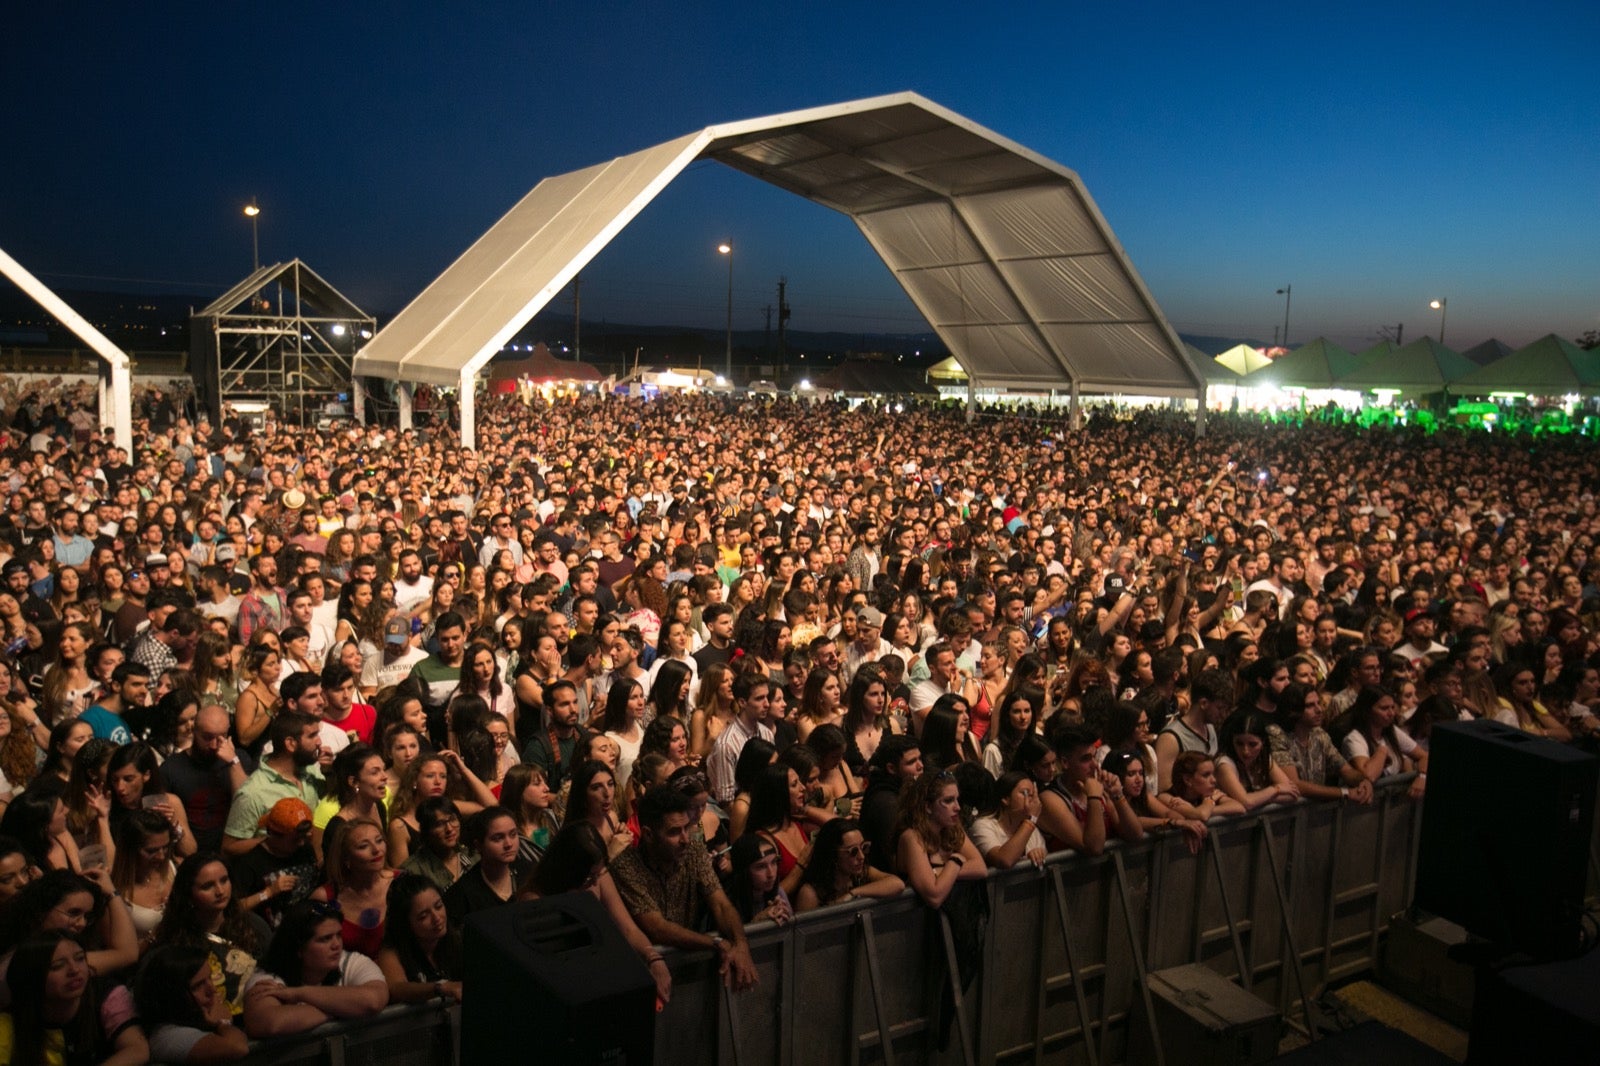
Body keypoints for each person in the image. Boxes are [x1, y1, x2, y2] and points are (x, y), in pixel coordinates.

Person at [608, 786, 757, 991]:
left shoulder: (693, 851)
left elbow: (721, 904)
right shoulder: (626, 867)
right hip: (642, 974)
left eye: (687, 828)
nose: (685, 839)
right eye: (674, 832)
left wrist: (741, 944)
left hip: (687, 971)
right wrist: (714, 943)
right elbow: (657, 928)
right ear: (649, 835)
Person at [240, 901, 389, 1038]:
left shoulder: (351, 961)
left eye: (338, 935)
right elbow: (269, 1023)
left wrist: (298, 993)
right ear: (298, 948)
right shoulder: (267, 977)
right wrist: (346, 1008)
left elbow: (373, 1000)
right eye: (325, 939)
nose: (336, 945)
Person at [0, 931, 148, 1065]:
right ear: (33, 977)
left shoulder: (107, 994)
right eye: (58, 966)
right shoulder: (9, 1023)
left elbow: (137, 1049)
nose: (74, 970)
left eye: (80, 958)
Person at [152, 853, 268, 1019]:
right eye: (207, 886)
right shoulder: (175, 941)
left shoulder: (253, 925)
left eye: (224, 880)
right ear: (188, 893)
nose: (220, 891)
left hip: (258, 1015)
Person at [221, 712, 323, 858]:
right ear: (290, 744)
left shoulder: (310, 770)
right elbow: (229, 847)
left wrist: (329, 772)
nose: (319, 742)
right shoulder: (253, 792)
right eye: (312, 736)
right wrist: (276, 841)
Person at [133, 943, 251, 1063]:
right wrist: (223, 1023)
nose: (212, 990)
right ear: (174, 995)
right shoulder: (167, 1036)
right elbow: (238, 1048)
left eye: (210, 977)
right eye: (198, 985)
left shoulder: (197, 1018)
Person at [893, 769, 987, 908]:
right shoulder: (911, 837)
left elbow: (980, 868)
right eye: (948, 801)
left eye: (957, 799)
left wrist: (938, 873)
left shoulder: (953, 828)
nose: (958, 807)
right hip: (920, 924)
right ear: (928, 807)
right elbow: (934, 896)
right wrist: (955, 861)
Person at [161, 705, 247, 854]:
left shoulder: (239, 760)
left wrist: (233, 762)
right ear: (194, 731)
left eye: (221, 737)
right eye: (207, 737)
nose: (214, 745)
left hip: (231, 850)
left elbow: (246, 806)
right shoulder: (171, 768)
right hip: (190, 854)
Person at [227, 797, 318, 927]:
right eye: (295, 839)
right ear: (273, 834)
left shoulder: (305, 849)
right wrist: (268, 892)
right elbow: (232, 909)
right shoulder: (250, 862)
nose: (302, 843)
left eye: (304, 837)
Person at [375, 873, 463, 1005]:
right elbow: (397, 988)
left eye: (438, 906)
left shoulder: (457, 938)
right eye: (423, 916)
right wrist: (441, 987)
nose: (437, 918)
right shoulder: (391, 950)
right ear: (406, 923)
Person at [309, 819, 392, 958]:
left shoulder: (401, 882)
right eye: (363, 846)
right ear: (346, 859)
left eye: (379, 840)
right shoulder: (325, 897)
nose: (377, 850)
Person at [1101, 750, 1208, 853]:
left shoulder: (1144, 796)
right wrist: (1174, 823)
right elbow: (1135, 824)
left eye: (1141, 773)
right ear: (1116, 776)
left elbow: (1170, 814)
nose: (1139, 780)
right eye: (1131, 774)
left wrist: (1182, 823)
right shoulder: (1109, 800)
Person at [793, 817, 904, 911]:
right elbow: (805, 935)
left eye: (864, 847)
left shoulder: (860, 873)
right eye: (853, 851)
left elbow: (897, 884)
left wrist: (852, 894)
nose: (862, 856)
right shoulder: (810, 893)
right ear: (833, 855)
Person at [442, 806, 528, 924]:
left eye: (513, 834)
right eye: (498, 838)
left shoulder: (529, 873)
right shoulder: (461, 895)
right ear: (478, 846)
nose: (508, 844)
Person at [1214, 712, 1302, 811]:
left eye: (1252, 744)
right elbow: (1247, 802)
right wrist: (1276, 789)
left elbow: (1292, 794)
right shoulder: (1224, 764)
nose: (1245, 751)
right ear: (1232, 740)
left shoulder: (1263, 758)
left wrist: (1260, 799)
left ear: (1262, 742)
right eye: (1239, 743)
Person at [859, 735, 923, 873]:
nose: (920, 766)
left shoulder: (902, 790)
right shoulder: (886, 803)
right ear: (891, 768)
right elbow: (896, 861)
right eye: (912, 762)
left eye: (920, 758)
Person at [968, 771, 1048, 870]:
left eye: (1033, 794)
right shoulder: (982, 826)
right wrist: (1031, 820)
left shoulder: (1031, 829)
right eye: (1025, 793)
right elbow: (1004, 860)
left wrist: (1037, 855)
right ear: (1006, 799)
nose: (1031, 799)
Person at [400, 798, 469, 894]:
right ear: (427, 831)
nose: (449, 829)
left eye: (452, 819)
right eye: (439, 824)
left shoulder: (471, 854)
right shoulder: (413, 870)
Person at [725, 833, 793, 926]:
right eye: (761, 867)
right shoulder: (726, 903)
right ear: (744, 872)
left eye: (774, 862)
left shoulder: (778, 893)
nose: (771, 874)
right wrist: (758, 921)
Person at [1161, 752, 1248, 822]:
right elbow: (1202, 815)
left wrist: (1205, 807)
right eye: (1206, 775)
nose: (1214, 780)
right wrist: (1209, 803)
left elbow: (1239, 807)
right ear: (1187, 780)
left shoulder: (1209, 794)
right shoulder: (1167, 798)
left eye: (1213, 774)